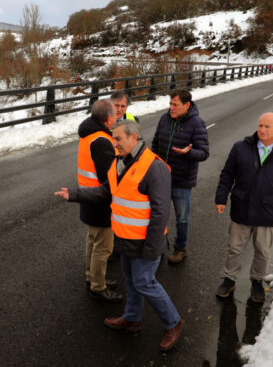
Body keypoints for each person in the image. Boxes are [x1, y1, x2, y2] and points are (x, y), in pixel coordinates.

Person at [55, 120, 184, 351]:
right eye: (113, 139)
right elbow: (106, 191)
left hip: (145, 242)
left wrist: (152, 248)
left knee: (145, 283)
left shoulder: (155, 167)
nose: (114, 144)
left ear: (134, 137)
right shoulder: (119, 162)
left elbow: (161, 212)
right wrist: (73, 194)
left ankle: (173, 322)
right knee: (132, 283)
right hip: (124, 239)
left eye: (118, 139)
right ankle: (132, 318)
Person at [215, 112, 273, 303]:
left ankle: (257, 282)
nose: (261, 129)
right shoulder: (240, 148)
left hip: (266, 212)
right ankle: (230, 279)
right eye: (260, 125)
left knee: (262, 251)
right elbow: (227, 174)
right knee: (234, 248)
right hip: (241, 208)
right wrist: (221, 197)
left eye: (267, 127)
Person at [151, 89, 209, 263]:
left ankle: (180, 248)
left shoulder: (197, 123)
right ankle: (159, 246)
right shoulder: (164, 119)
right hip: (161, 179)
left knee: (181, 218)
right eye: (170, 104)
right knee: (158, 215)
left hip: (181, 181)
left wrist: (188, 153)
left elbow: (204, 153)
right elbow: (155, 143)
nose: (171, 108)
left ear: (187, 105)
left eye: (175, 104)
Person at [76, 99, 122, 302]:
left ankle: (92, 276)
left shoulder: (89, 134)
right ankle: (98, 286)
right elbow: (108, 177)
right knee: (103, 246)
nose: (117, 117)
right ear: (108, 118)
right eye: (114, 114)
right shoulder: (102, 141)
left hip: (87, 195)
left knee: (92, 241)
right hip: (100, 199)